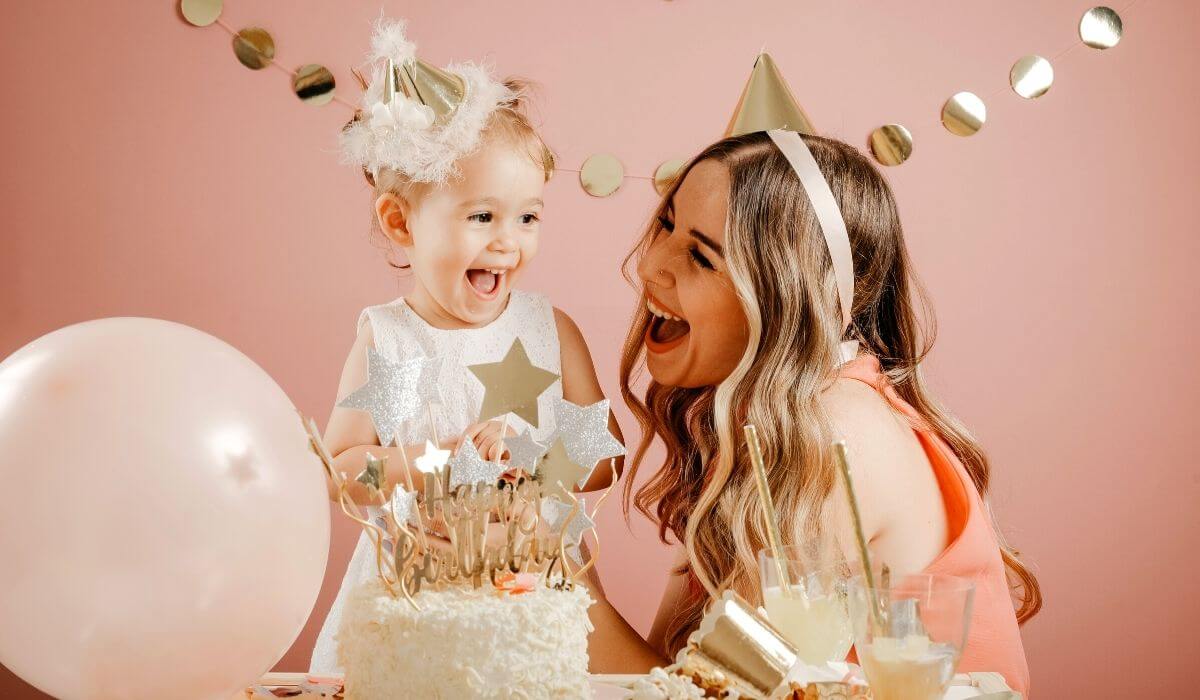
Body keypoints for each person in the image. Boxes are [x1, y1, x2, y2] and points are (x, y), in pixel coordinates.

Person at [586, 130, 1039, 695]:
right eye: (666, 225)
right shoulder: (762, 431)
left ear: (790, 296)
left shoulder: (834, 434)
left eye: (701, 256)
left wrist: (562, 582)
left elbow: (706, 696)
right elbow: (672, 677)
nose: (651, 265)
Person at [310, 18, 621, 674]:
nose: (508, 240)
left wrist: (530, 459)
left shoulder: (547, 331)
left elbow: (603, 463)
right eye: (482, 216)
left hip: (527, 587)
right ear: (400, 222)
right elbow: (341, 472)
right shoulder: (393, 343)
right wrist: (437, 463)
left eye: (527, 217)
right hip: (410, 595)